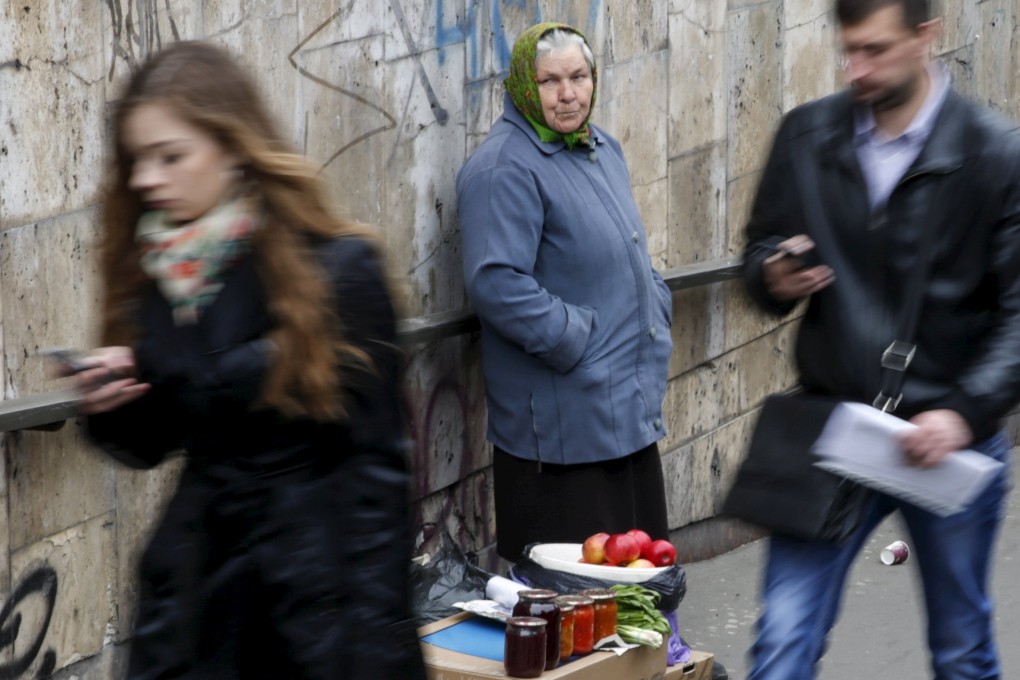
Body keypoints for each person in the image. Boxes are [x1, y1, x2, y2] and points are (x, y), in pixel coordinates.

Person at [70, 41, 425, 679]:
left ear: (233, 148)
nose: (147, 178)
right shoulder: (160, 276)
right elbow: (156, 441)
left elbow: (380, 482)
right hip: (198, 610)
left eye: (170, 156)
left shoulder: (341, 270)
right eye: (136, 160)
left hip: (320, 612)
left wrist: (375, 646)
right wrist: (112, 405)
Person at [741, 1, 1020, 678]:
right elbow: (758, 255)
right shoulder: (806, 135)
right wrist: (773, 274)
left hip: (948, 439)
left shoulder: (994, 153)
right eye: (848, 50)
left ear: (928, 35)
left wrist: (964, 412)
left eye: (875, 50)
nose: (855, 68)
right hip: (836, 429)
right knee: (781, 641)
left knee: (961, 651)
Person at [456, 23, 674, 562]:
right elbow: (496, 282)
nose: (568, 93)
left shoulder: (600, 147)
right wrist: (579, 341)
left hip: (624, 411)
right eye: (550, 81)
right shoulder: (504, 167)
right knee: (579, 605)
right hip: (563, 434)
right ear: (525, 88)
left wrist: (655, 298)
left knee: (639, 582)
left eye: (578, 76)